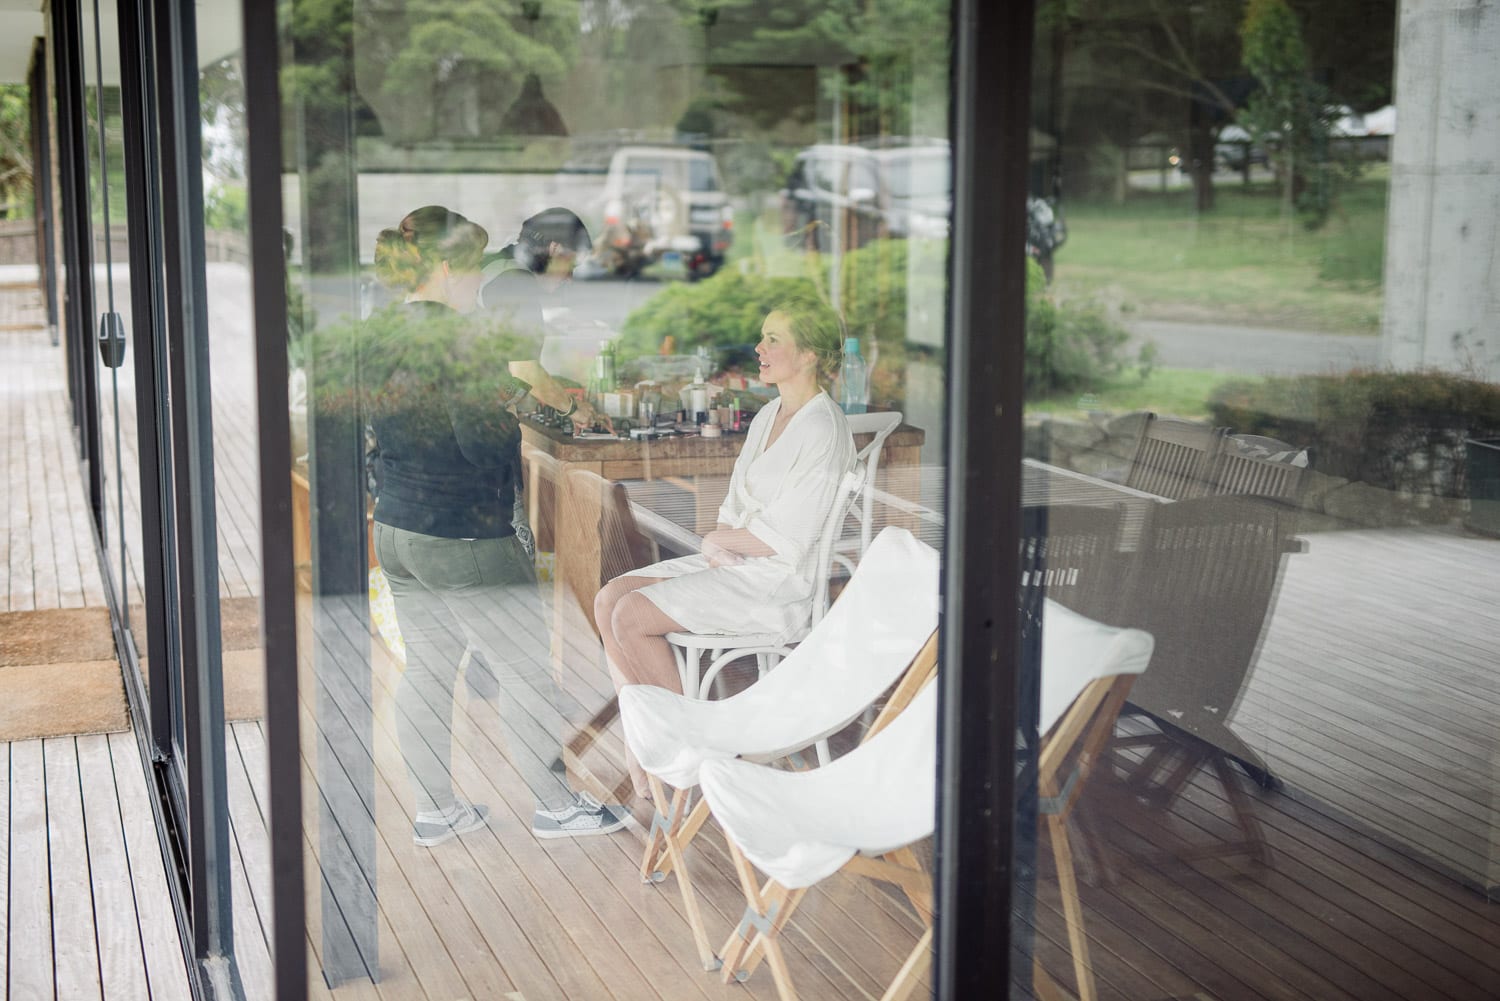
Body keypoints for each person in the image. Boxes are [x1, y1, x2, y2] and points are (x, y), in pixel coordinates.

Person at [366, 205, 626, 845]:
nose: (478, 280)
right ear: (448, 268)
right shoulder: (461, 340)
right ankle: (556, 805)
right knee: (526, 668)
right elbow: (480, 444)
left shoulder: (379, 333)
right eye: (474, 266)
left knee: (426, 669)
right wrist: (507, 416)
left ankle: (435, 812)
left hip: (397, 525)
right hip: (464, 530)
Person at [592, 295, 856, 799]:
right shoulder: (769, 414)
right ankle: (646, 756)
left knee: (631, 617)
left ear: (809, 355)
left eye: (773, 339)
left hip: (778, 584)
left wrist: (719, 542)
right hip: (738, 564)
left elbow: (791, 539)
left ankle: (695, 757)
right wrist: (720, 545)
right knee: (609, 598)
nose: (759, 347)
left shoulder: (823, 427)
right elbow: (734, 509)